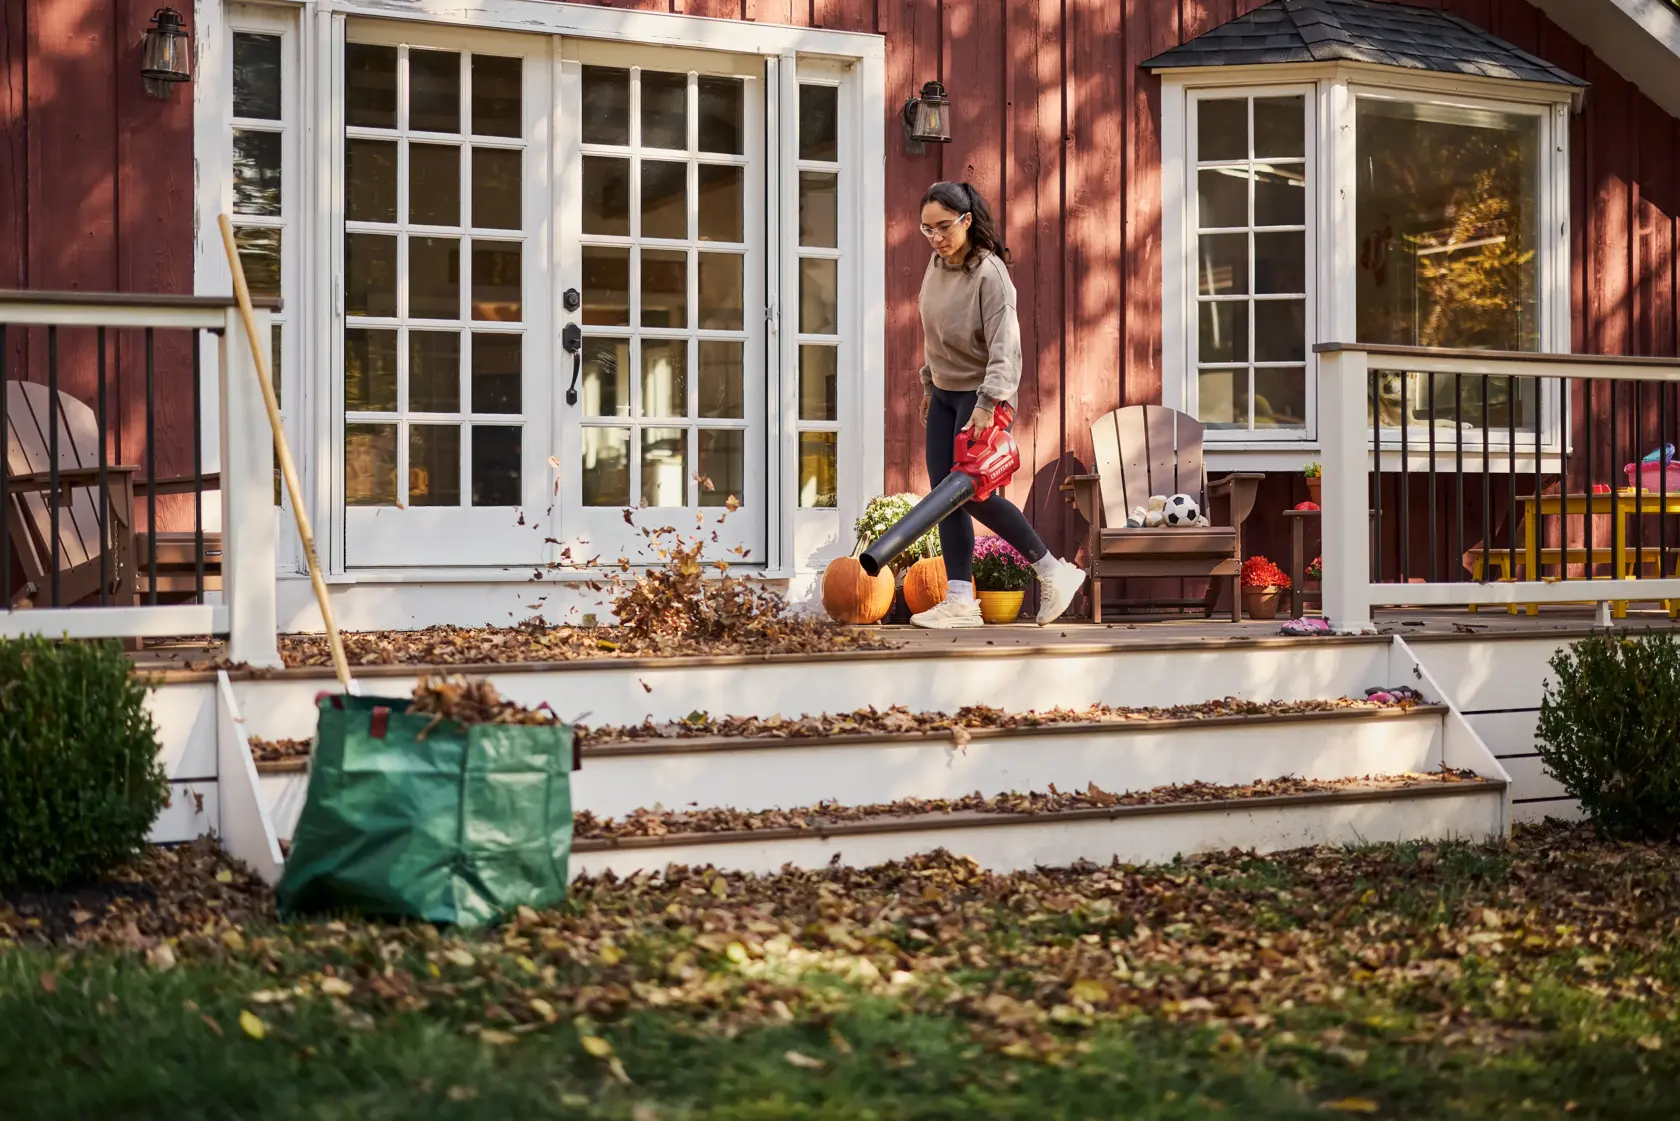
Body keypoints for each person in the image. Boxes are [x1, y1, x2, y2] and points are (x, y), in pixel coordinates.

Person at [911, 180, 1085, 629]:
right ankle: (960, 600)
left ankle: (1051, 569)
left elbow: (1006, 348)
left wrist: (988, 405)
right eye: (927, 229)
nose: (936, 238)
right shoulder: (935, 266)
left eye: (944, 227)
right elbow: (932, 334)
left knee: (971, 496)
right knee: (943, 500)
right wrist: (929, 386)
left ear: (967, 221)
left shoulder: (990, 275)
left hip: (978, 397)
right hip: (945, 396)